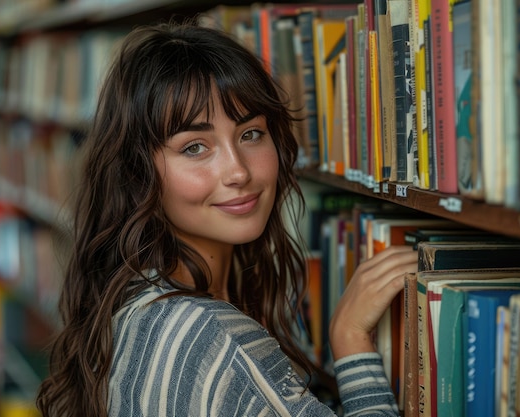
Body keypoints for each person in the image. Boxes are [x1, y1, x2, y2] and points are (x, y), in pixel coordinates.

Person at [36, 20, 417, 417]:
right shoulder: (206, 333)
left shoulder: (141, 294)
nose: (238, 171)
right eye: (195, 147)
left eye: (251, 134)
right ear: (138, 171)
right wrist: (351, 339)